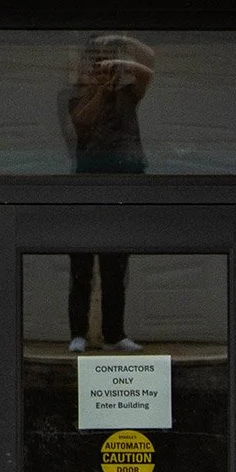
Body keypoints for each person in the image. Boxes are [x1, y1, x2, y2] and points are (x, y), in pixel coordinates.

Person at [61, 32, 154, 349]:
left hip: (123, 181)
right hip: (86, 182)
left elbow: (149, 65)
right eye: (96, 64)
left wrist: (125, 47)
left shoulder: (128, 91)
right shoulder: (73, 94)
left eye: (105, 64)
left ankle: (115, 333)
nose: (101, 69)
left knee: (116, 262)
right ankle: (78, 333)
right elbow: (82, 123)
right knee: (81, 263)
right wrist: (100, 90)